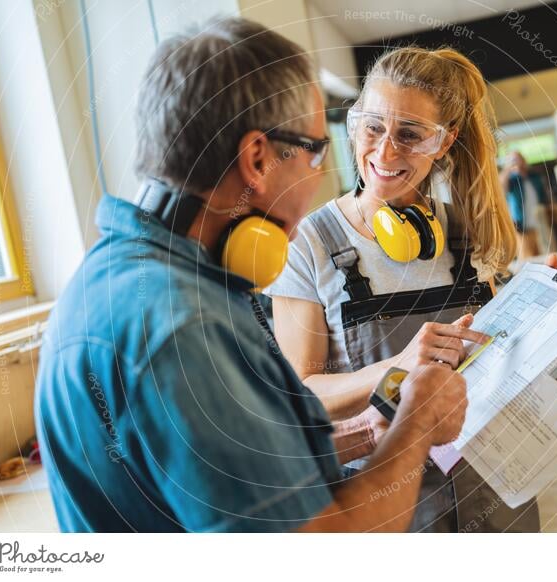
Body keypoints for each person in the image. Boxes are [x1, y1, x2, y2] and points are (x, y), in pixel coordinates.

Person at [34, 18, 468, 533]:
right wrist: (417, 421)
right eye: (315, 152)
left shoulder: (124, 278)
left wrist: (366, 436)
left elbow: (226, 469)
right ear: (258, 159)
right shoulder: (182, 327)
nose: (317, 179)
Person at [266, 47, 541, 532]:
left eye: (411, 135)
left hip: (495, 489)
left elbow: (501, 361)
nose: (385, 152)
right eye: (373, 127)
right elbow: (303, 398)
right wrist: (399, 366)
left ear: (444, 142)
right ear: (354, 125)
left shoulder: (466, 229)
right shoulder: (307, 244)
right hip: (389, 503)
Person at [500, 150, 549, 258]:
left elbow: (543, 193)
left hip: (537, 221)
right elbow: (501, 188)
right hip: (520, 222)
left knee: (542, 253)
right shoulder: (511, 179)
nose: (515, 161)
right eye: (512, 159)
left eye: (517, 158)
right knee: (525, 255)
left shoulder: (533, 176)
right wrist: (508, 168)